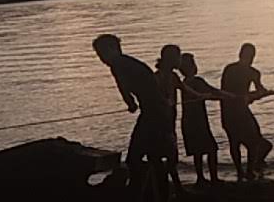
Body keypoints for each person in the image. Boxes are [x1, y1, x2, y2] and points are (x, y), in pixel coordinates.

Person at [93, 34, 174, 172]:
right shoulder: (129, 62)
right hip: (159, 111)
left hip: (152, 113)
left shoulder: (117, 64)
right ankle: (159, 188)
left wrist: (130, 103)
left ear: (113, 49)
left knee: (134, 157)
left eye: (102, 54)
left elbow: (122, 86)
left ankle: (143, 188)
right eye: (99, 55)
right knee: (154, 156)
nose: (102, 59)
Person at [220, 43, 274, 181]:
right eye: (248, 55)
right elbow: (225, 92)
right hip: (231, 111)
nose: (249, 58)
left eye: (251, 56)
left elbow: (258, 91)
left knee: (254, 143)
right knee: (238, 142)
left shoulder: (254, 73)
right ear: (241, 55)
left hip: (239, 110)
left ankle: (250, 168)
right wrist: (249, 96)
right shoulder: (230, 69)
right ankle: (245, 171)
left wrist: (265, 93)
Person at [177, 52, 227, 185]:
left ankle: (201, 178)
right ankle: (213, 178)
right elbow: (212, 92)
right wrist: (229, 96)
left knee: (197, 152)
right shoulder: (196, 81)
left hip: (188, 121)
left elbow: (210, 93)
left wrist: (223, 95)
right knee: (211, 149)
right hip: (197, 120)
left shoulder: (184, 82)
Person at [154, 44, 184, 192]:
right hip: (162, 124)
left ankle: (172, 185)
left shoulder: (173, 77)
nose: (180, 60)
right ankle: (172, 187)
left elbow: (188, 90)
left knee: (171, 156)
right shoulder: (159, 77)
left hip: (169, 122)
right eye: (178, 56)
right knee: (169, 156)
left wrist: (208, 95)